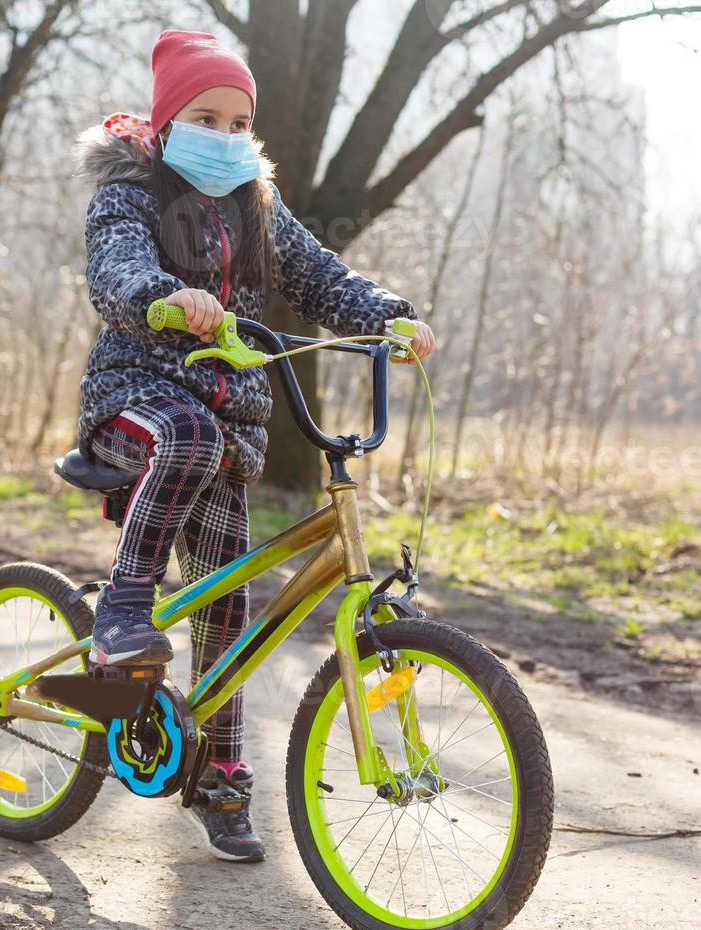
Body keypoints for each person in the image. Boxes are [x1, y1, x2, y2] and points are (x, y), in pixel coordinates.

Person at [72, 28, 435, 863]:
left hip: (230, 426)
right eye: (206, 116)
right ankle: (122, 612)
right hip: (137, 401)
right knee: (189, 437)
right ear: (166, 126)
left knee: (226, 610)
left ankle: (220, 778)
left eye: (241, 122)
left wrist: (388, 315)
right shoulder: (130, 194)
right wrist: (166, 298)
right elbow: (115, 273)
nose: (227, 136)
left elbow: (323, 279)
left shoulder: (258, 206)